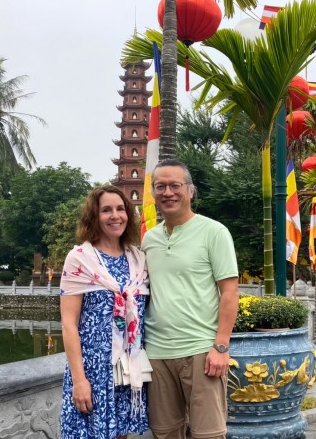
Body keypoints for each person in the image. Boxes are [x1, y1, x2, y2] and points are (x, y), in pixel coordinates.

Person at [142, 159, 239, 439]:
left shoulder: (214, 232)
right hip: (157, 354)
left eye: (175, 185)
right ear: (153, 193)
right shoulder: (149, 240)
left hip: (200, 351)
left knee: (208, 434)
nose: (168, 193)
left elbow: (229, 291)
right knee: (164, 433)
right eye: (160, 186)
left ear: (190, 191)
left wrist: (221, 346)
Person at [59, 186, 149, 439]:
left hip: (126, 369)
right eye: (106, 210)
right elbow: (68, 324)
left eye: (121, 209)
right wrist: (79, 380)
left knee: (121, 435)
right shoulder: (80, 259)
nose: (115, 216)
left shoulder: (138, 260)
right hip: (93, 370)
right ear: (94, 217)